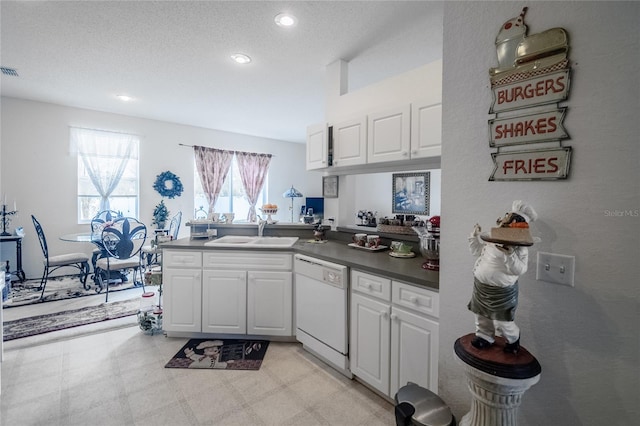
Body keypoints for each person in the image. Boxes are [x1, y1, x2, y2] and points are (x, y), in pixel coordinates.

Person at [467, 200, 537, 354]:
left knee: (501, 322)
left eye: (510, 219)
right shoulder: (493, 238)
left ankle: (513, 339)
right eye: (507, 218)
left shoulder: (520, 247)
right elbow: (478, 252)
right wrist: (474, 238)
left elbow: (519, 269)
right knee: (481, 315)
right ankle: (484, 337)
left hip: (501, 292)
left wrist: (510, 254)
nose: (504, 221)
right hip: (481, 286)